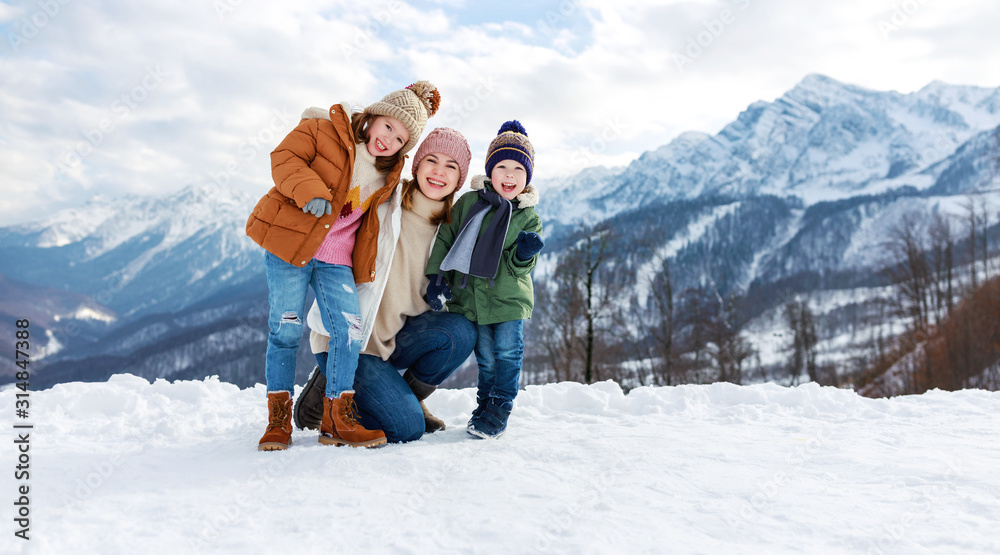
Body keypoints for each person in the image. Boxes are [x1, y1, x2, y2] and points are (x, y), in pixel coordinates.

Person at [246, 81, 441, 450]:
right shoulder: (323, 130)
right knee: (285, 330)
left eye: (401, 139)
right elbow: (285, 158)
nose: (389, 141)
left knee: (350, 332)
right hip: (292, 247)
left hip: (337, 260)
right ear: (373, 116)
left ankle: (337, 417)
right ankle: (278, 422)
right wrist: (310, 191)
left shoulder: (390, 172)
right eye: (388, 127)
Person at [293, 128, 478, 443]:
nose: (438, 172)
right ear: (415, 166)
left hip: (393, 341)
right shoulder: (382, 201)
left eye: (451, 166)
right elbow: (355, 162)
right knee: (407, 428)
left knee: (460, 331)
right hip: (347, 341)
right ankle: (331, 396)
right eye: (431, 160)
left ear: (459, 179)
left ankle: (399, 393)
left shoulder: (454, 230)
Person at [424, 120, 544, 439]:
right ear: (489, 170)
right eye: (501, 166)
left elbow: (519, 268)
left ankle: (501, 405)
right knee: (486, 359)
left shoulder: (528, 217)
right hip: (472, 300)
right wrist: (436, 276)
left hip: (507, 303)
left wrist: (524, 253)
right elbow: (446, 239)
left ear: (527, 177)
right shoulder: (469, 204)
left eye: (518, 169)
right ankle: (484, 404)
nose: (509, 175)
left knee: (506, 353)